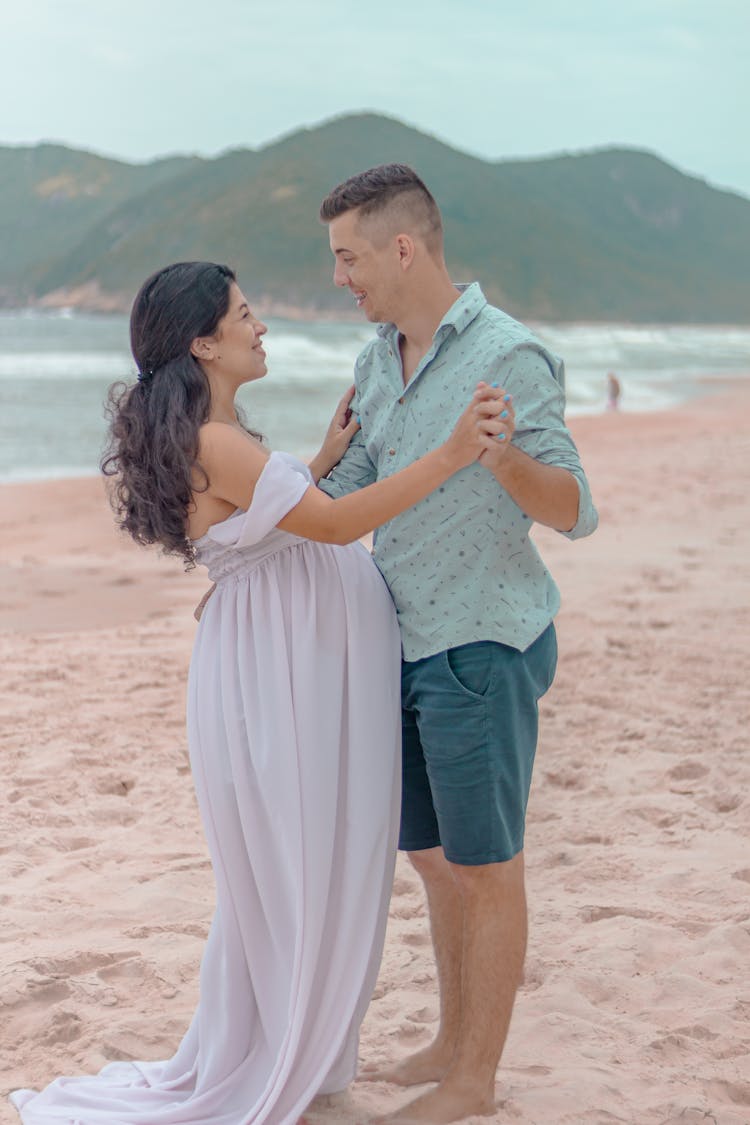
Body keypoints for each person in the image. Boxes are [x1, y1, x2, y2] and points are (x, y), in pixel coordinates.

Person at [9, 261, 506, 1125]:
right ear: (205, 341)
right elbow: (336, 523)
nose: (261, 324)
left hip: (279, 660)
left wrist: (316, 458)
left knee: (293, 870)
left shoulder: (215, 436)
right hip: (284, 671)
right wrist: (454, 452)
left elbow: (263, 522)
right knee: (302, 865)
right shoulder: (218, 439)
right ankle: (291, 1058)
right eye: (245, 313)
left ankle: (295, 1047)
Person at [317, 165, 599, 1124]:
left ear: (404, 247)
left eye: (349, 258)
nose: (342, 278)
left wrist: (502, 457)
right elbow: (345, 493)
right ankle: (448, 1043)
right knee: (435, 858)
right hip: (396, 644)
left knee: (488, 865)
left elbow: (574, 509)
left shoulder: (510, 355)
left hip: (482, 643)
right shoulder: (373, 361)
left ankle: (475, 1080)